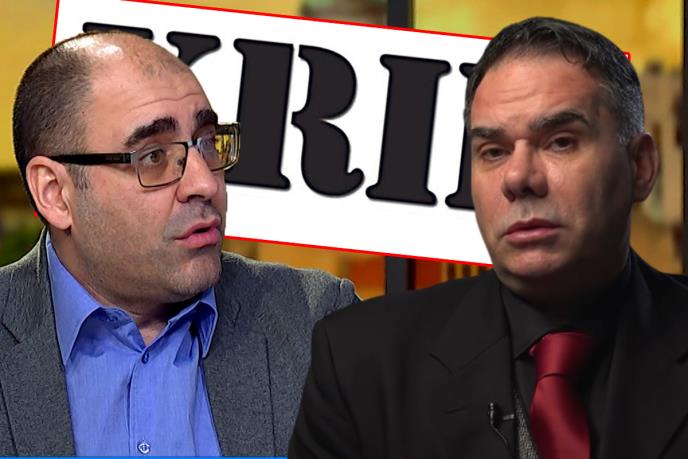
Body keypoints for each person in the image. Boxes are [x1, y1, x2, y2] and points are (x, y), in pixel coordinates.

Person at [289, 17, 687, 459]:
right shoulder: (360, 366)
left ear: (641, 167)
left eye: (560, 141)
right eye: (493, 151)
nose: (518, 178)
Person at [0, 31, 356, 456]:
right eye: (154, 157)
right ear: (56, 194)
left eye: (207, 142)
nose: (205, 183)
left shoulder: (316, 323)